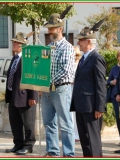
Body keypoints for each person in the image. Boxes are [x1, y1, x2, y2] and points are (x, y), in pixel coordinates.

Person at [41, 12, 75, 157]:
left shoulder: (67, 47)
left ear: (60, 29)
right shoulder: (48, 47)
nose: (49, 31)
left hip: (61, 89)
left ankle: (68, 153)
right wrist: (39, 81)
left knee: (66, 124)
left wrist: (47, 81)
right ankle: (52, 151)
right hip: (47, 90)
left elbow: (66, 70)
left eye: (52, 28)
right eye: (49, 29)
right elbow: (42, 67)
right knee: (49, 123)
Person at [70, 21, 106, 157]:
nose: (78, 43)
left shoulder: (96, 58)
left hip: (91, 107)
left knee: (93, 139)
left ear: (89, 41)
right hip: (81, 105)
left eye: (81, 41)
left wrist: (100, 107)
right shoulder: (85, 58)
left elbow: (101, 84)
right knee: (84, 139)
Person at [5, 32, 38, 155]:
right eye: (13, 42)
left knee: (28, 123)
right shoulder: (15, 58)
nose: (13, 44)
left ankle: (28, 145)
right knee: (15, 122)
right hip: (13, 95)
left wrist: (32, 96)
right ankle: (18, 144)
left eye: (16, 42)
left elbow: (33, 77)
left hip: (25, 96)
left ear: (22, 45)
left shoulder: (28, 58)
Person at [106, 49, 120, 146]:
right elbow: (107, 82)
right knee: (118, 117)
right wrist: (112, 82)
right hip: (115, 96)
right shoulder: (114, 69)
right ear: (117, 57)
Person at [72, 46, 81, 142]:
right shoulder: (71, 63)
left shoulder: (79, 64)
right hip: (69, 89)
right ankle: (73, 133)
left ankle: (77, 134)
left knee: (75, 114)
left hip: (75, 89)